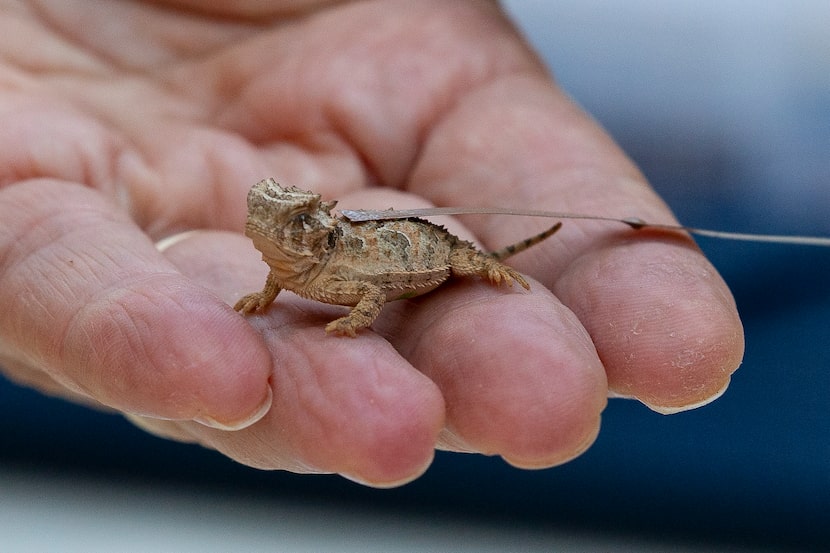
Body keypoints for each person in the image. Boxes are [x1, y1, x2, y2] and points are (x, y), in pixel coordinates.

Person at [0, 1, 742, 487]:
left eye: (277, 223)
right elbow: (279, 277)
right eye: (259, 215)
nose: (264, 229)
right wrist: (266, 293)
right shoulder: (293, 261)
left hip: (426, 248)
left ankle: (491, 263)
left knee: (507, 296)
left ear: (307, 229)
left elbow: (375, 287)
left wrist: (379, 308)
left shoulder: (341, 262)